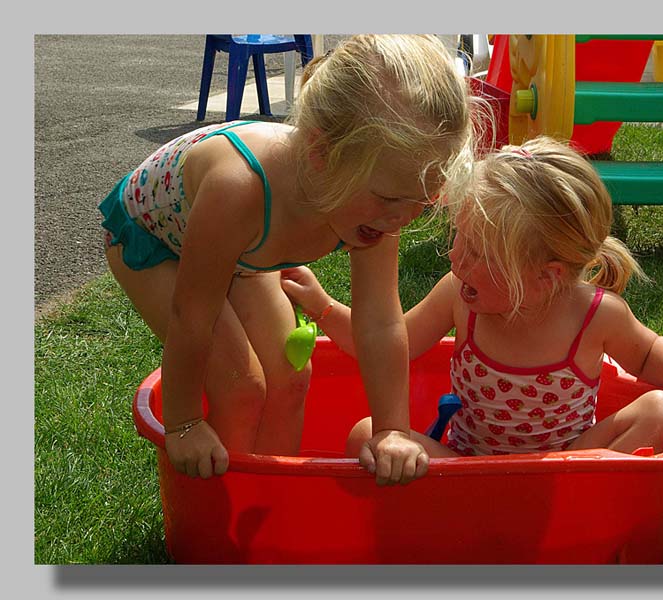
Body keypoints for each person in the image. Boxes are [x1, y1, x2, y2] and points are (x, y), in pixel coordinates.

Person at [100, 34, 475, 483]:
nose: (405, 217)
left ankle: (273, 500)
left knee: (292, 374)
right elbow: (192, 315)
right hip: (152, 239)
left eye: (423, 201)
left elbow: (379, 321)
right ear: (321, 156)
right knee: (240, 386)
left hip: (241, 248)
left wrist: (392, 428)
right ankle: (222, 518)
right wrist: (183, 424)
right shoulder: (239, 190)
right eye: (391, 198)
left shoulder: (381, 204)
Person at [282, 136, 663, 464]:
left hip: (570, 461)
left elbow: (649, 354)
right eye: (459, 239)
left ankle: (592, 486)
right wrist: (323, 306)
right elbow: (390, 341)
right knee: (367, 434)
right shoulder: (459, 296)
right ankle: (490, 508)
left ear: (546, 277)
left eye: (476, 252)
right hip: (468, 464)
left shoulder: (596, 315)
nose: (454, 257)